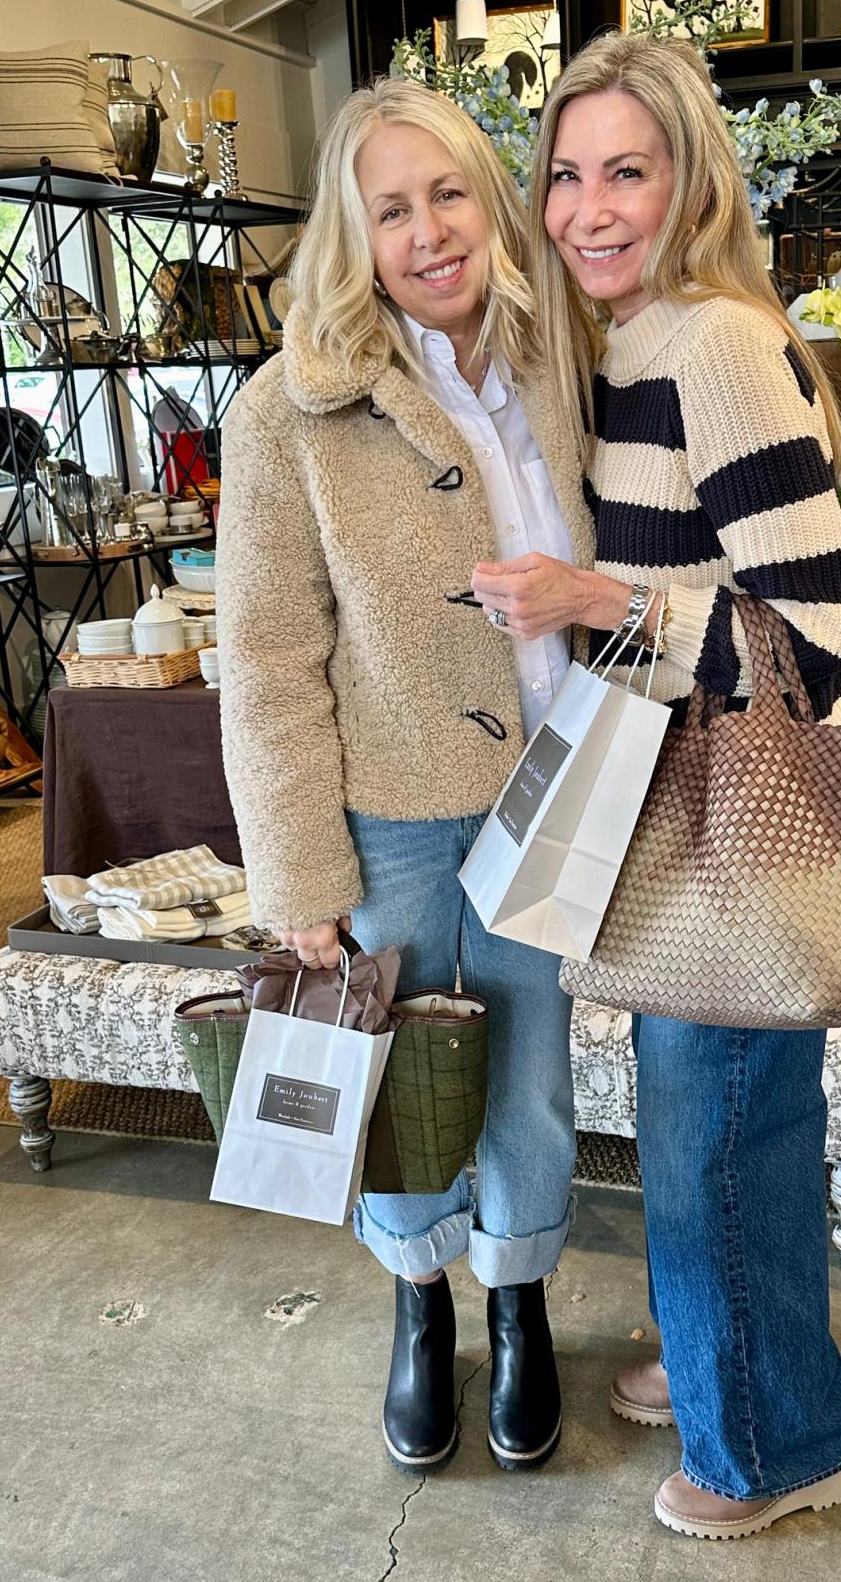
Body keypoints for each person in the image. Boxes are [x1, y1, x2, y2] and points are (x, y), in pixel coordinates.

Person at [469, 33, 841, 1539]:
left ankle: (774, 1444)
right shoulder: (625, 342)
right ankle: (732, 1359)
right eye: (565, 174)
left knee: (720, 1136)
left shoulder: (713, 345)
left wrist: (590, 600)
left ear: (690, 180)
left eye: (625, 169)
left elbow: (813, 651)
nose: (586, 207)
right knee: (712, 1124)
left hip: (741, 817)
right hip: (676, 802)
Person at [215, 78, 595, 1477]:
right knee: (404, 1087)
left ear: (491, 201)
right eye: (393, 208)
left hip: (557, 794)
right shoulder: (287, 415)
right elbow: (261, 661)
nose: (430, 233)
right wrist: (300, 883)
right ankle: (421, 1304)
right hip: (399, 818)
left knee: (531, 1086)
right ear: (353, 232)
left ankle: (526, 1296)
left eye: (449, 194)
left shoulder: (563, 354)